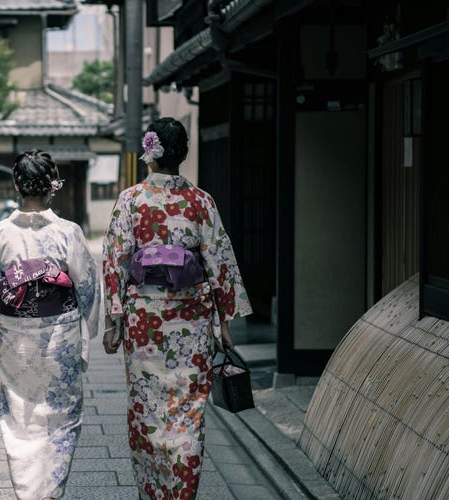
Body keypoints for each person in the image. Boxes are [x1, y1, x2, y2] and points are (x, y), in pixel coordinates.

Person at [102, 117, 252, 499]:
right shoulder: (201, 201)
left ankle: (152, 492)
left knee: (147, 409)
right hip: (193, 319)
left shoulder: (131, 200)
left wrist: (113, 320)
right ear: (183, 153)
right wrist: (224, 323)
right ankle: (182, 492)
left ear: (149, 152)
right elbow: (219, 262)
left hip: (145, 322)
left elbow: (115, 261)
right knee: (187, 413)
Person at [0, 150, 101, 500]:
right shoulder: (68, 232)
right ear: (51, 186)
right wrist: (83, 329)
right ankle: (51, 491)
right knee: (61, 415)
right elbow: (87, 286)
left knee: (21, 418)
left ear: (17, 185)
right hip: (60, 333)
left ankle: (28, 492)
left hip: (16, 335)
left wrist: (1, 321)